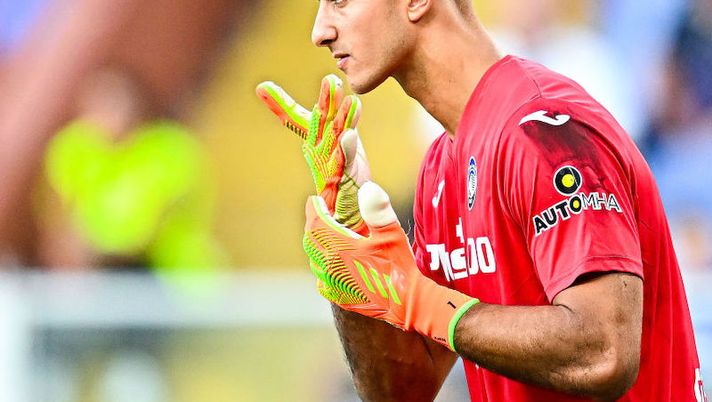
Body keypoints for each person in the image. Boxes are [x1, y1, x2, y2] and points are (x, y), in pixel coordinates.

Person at [258, 0, 706, 401]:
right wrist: (350, 256)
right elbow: (402, 391)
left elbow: (604, 353)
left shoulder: (543, 129)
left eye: (340, 1)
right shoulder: (441, 167)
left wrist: (423, 301)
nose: (320, 30)